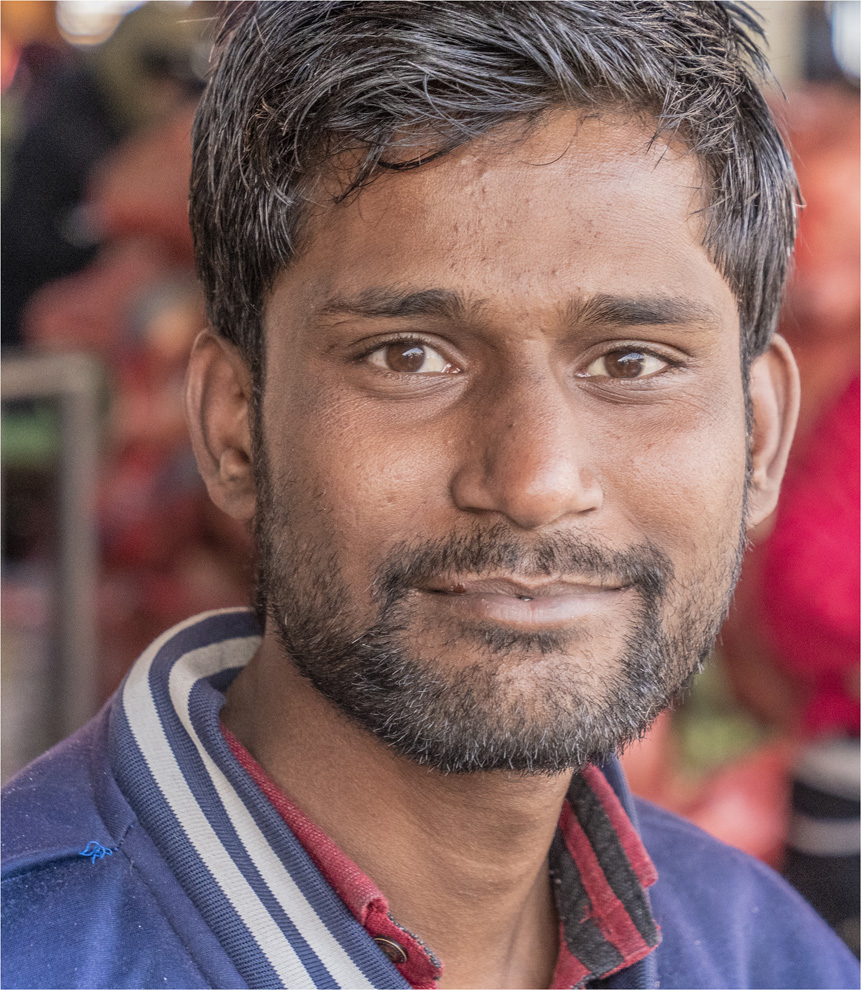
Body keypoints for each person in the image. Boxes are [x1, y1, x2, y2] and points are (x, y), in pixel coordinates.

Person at [2, 3, 858, 988]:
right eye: (408, 357)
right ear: (234, 424)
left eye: (632, 362)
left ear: (761, 436)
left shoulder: (769, 958)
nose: (534, 483)